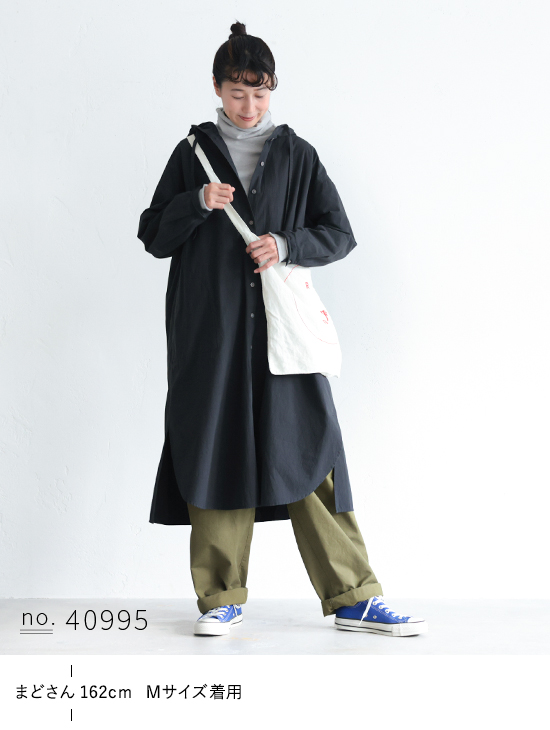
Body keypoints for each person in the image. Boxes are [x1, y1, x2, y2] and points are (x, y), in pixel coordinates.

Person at [137, 21, 428, 639]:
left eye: (260, 92)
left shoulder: (297, 155)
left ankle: (354, 596)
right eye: (238, 92)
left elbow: (339, 233)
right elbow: (152, 235)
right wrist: (197, 204)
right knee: (214, 452)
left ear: (273, 89)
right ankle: (220, 598)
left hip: (283, 336)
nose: (249, 105)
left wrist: (285, 243)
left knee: (311, 452)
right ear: (217, 87)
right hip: (210, 334)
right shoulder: (191, 155)